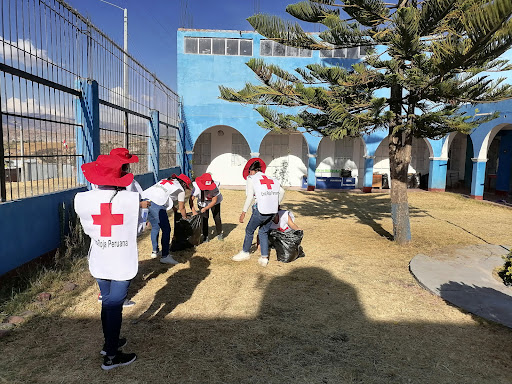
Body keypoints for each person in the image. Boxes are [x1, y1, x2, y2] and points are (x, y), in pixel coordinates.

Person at [75, 154, 147, 370]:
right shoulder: (132, 200)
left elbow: (89, 228)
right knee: (114, 306)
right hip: (121, 261)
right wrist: (142, 210)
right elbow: (139, 229)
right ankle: (112, 357)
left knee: (107, 302)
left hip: (99, 258)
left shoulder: (82, 199)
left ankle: (110, 344)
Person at [232, 158, 284, 267]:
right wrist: (276, 204)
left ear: (252, 171)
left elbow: (250, 196)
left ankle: (245, 252)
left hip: (260, 210)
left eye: (249, 172)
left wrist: (243, 212)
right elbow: (282, 191)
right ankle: (264, 258)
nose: (248, 174)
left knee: (249, 230)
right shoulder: (272, 178)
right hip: (272, 211)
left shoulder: (251, 178)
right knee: (263, 232)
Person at [141, 173, 192, 264]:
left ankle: (155, 251)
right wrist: (185, 217)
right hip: (156, 203)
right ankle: (165, 256)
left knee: (155, 227)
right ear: (184, 184)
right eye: (186, 187)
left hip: (145, 200)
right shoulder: (180, 189)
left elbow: (166, 195)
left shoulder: (167, 180)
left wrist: (173, 208)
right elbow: (182, 207)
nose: (185, 189)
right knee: (166, 229)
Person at [190, 173, 223, 242]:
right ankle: (205, 236)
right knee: (204, 219)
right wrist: (193, 210)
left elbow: (214, 201)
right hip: (202, 202)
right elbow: (190, 199)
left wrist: (205, 208)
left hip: (214, 203)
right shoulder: (196, 188)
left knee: (217, 217)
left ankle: (219, 233)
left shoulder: (215, 187)